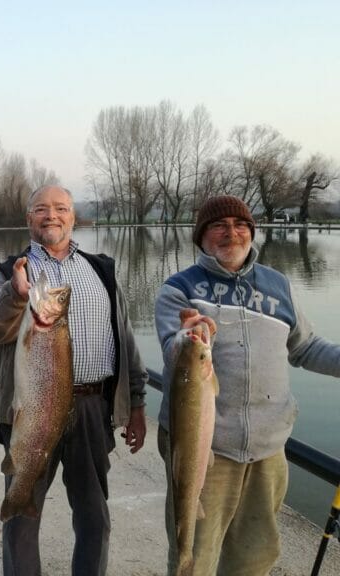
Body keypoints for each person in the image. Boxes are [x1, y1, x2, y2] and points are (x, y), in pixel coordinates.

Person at [154, 194, 340, 576]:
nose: (231, 233)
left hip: (269, 449)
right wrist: (186, 338)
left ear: (251, 233)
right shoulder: (179, 288)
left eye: (240, 225)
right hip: (204, 447)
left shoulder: (278, 284)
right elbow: (172, 348)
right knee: (194, 551)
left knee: (255, 556)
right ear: (202, 236)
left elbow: (304, 347)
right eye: (219, 226)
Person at [0, 184, 148, 576]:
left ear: (74, 217)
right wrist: (16, 296)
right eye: (41, 209)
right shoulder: (12, 271)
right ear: (29, 219)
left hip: (92, 408)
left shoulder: (101, 269)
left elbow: (125, 339)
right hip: (31, 407)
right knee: (21, 519)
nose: (51, 215)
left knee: (95, 516)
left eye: (60, 208)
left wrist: (136, 404)